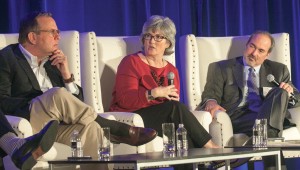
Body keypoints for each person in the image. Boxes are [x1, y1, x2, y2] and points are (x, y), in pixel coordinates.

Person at [0, 11, 157, 159]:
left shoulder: (52, 63)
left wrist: (67, 76)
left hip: (55, 127)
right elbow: (2, 101)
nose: (58, 37)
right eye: (52, 32)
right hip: (29, 120)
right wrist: (43, 100)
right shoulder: (7, 58)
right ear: (33, 37)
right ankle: (116, 129)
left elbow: (77, 105)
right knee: (56, 94)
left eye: (58, 33)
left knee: (93, 130)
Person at [109, 15, 219, 150]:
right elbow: (125, 100)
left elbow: (170, 103)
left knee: (182, 133)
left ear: (168, 43)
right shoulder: (131, 62)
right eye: (148, 36)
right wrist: (154, 93)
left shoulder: (171, 70)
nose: (152, 41)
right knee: (175, 108)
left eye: (158, 37)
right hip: (133, 118)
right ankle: (211, 147)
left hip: (163, 119)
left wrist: (171, 99)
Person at [200, 30, 300, 169]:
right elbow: (210, 95)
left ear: (267, 54)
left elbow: (297, 99)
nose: (254, 53)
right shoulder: (222, 68)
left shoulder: (278, 70)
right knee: (269, 134)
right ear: (246, 45)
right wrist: (211, 102)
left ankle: (258, 141)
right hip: (239, 118)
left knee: (281, 92)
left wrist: (289, 94)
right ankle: (269, 135)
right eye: (252, 46)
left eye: (260, 50)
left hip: (271, 116)